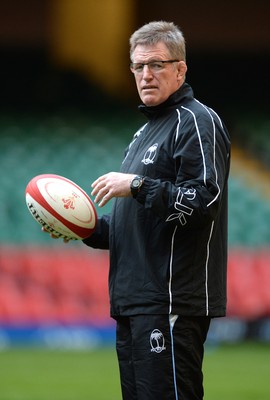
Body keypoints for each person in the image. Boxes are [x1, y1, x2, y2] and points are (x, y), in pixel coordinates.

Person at [46, 21, 231, 400]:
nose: (146, 75)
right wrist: (83, 228)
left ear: (180, 70)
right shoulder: (143, 133)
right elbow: (138, 225)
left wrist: (137, 185)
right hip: (134, 302)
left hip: (170, 299)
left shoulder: (196, 120)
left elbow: (204, 200)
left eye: (157, 64)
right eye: (138, 66)